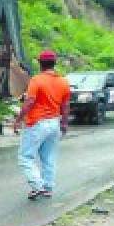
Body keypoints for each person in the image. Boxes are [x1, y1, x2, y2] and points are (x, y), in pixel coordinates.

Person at [15, 49, 70, 199]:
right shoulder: (63, 81)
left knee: (25, 157)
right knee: (48, 157)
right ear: (54, 63)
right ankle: (47, 187)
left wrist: (18, 119)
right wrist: (64, 124)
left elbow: (30, 101)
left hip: (37, 123)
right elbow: (65, 106)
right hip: (54, 123)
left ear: (40, 64)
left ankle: (37, 186)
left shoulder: (37, 80)